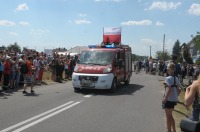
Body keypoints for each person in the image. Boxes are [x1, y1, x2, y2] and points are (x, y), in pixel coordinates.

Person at [162, 62, 181, 132]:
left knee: (168, 116)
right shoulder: (176, 78)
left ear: (170, 70)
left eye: (167, 69)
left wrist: (165, 99)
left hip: (169, 100)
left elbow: (169, 89)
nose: (167, 70)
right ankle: (174, 130)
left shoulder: (168, 78)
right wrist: (176, 96)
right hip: (174, 100)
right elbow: (179, 89)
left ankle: (169, 130)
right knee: (170, 115)